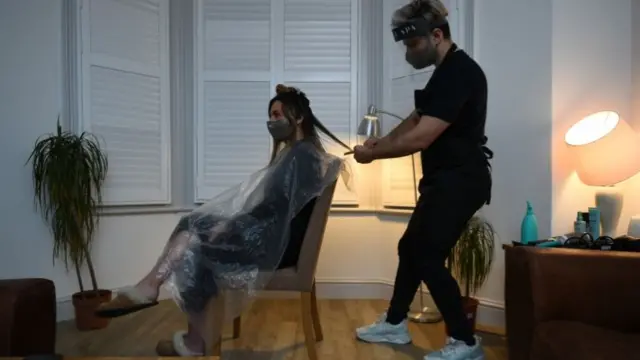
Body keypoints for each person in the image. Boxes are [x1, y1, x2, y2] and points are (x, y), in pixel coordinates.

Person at [96, 84, 351, 356]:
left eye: (278, 115)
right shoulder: (298, 154)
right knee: (195, 234)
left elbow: (276, 212)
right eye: (271, 116)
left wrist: (231, 227)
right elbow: (274, 210)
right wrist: (231, 226)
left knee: (194, 236)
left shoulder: (302, 156)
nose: (272, 121)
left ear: (298, 117)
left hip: (278, 248)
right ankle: (177, 318)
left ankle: (160, 299)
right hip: (275, 240)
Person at [352, 1, 492, 359]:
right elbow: (415, 120)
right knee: (410, 249)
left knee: (427, 255)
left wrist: (374, 155)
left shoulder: (460, 72)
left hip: (461, 180)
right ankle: (396, 323)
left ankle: (465, 342)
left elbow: (422, 137)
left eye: (412, 45)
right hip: (445, 180)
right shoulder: (444, 74)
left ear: (436, 35)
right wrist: (380, 142)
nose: (408, 53)